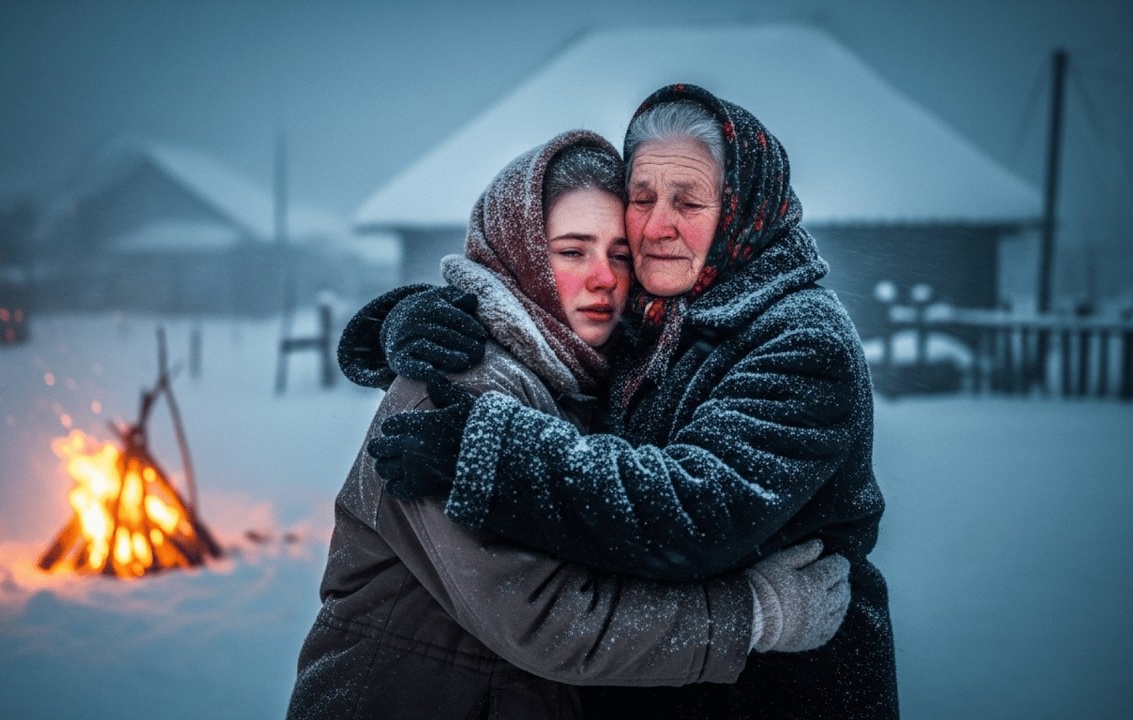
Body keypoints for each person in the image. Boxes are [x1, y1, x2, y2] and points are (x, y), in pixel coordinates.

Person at [349, 85, 898, 718]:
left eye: (688, 201)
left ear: (743, 212)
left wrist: (493, 452)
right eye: (643, 199)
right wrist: (402, 321)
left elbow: (694, 507)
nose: (656, 226)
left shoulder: (800, 339)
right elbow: (525, 311)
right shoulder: (655, 322)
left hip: (777, 699)